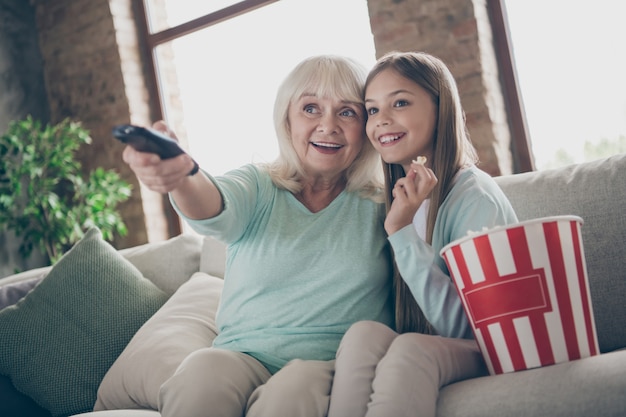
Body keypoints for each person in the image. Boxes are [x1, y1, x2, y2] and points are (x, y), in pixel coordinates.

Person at [121, 55, 394, 417]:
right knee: (201, 373)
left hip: (330, 364)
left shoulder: (384, 202)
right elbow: (213, 205)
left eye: (347, 112)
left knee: (291, 390)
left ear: (367, 126)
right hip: (241, 355)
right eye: (311, 108)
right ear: (287, 119)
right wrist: (182, 173)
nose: (327, 125)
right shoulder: (259, 185)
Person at [328, 51, 519, 417]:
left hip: (490, 344)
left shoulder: (472, 195)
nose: (382, 120)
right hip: (439, 341)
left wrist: (400, 232)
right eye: (371, 110)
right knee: (362, 335)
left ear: (439, 107)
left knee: (411, 350)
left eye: (399, 102)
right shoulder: (399, 197)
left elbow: (465, 326)